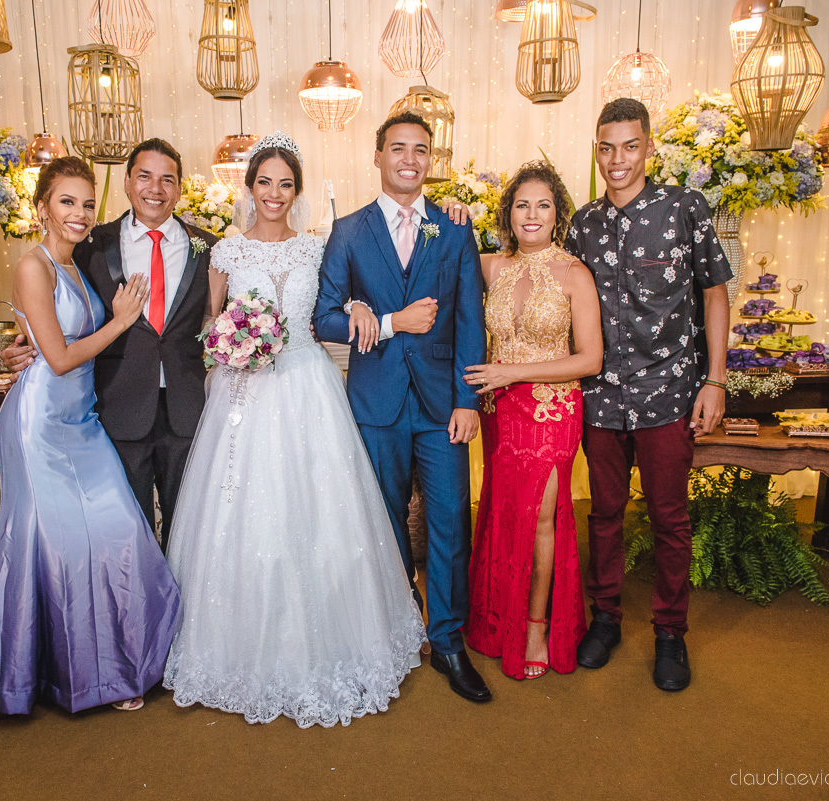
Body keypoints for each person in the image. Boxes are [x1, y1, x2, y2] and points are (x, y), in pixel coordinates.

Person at [162, 132, 426, 728]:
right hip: (244, 393)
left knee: (321, 510)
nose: (274, 194)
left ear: (296, 191)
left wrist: (361, 309)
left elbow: (336, 306)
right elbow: (210, 323)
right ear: (249, 188)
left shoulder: (317, 248)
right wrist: (231, 345)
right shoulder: (226, 253)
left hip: (307, 381)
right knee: (241, 510)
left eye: (285, 183)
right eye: (264, 182)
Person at [0, 157, 181, 714]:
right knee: (53, 547)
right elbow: (56, 359)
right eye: (66, 202)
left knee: (119, 531)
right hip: (39, 425)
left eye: (84, 203)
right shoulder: (33, 267)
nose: (78, 214)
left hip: (83, 420)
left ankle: (119, 665)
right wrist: (119, 323)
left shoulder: (79, 264)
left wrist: (33, 342)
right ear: (42, 209)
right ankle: (40, 676)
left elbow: (49, 339)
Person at [313, 112, 491, 703]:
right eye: (398, 148)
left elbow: (470, 320)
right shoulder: (348, 230)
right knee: (383, 523)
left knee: (448, 523)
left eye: (420, 149)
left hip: (443, 406)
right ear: (378, 155)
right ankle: (394, 627)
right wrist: (378, 320)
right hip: (376, 401)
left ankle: (446, 641)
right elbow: (323, 317)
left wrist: (469, 400)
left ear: (430, 159)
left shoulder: (455, 230)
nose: (409, 158)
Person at [568, 98, 731, 692]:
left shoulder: (686, 208)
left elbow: (715, 293)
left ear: (649, 148)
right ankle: (606, 617)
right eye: (607, 147)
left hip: (670, 394)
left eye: (629, 145)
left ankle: (670, 632)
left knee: (669, 517)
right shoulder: (581, 224)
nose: (618, 159)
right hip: (601, 399)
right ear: (597, 149)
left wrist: (715, 380)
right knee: (605, 514)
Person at [1, 139, 219, 551]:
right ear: (126, 182)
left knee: (191, 529)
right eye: (145, 176)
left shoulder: (207, 247)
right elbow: (56, 312)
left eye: (166, 179)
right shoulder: (90, 245)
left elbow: (221, 316)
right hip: (116, 408)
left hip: (187, 408)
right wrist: (21, 343)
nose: (155, 188)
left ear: (179, 187)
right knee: (126, 532)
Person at [461, 161, 603, 680]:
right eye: (522, 204)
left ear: (557, 214)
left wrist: (511, 372)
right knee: (502, 513)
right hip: (501, 412)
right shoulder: (493, 267)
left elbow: (590, 360)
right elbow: (438, 261)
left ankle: (538, 627)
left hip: (551, 409)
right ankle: (498, 619)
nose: (531, 214)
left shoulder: (574, 274)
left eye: (542, 204)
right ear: (508, 213)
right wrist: (453, 219)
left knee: (543, 519)